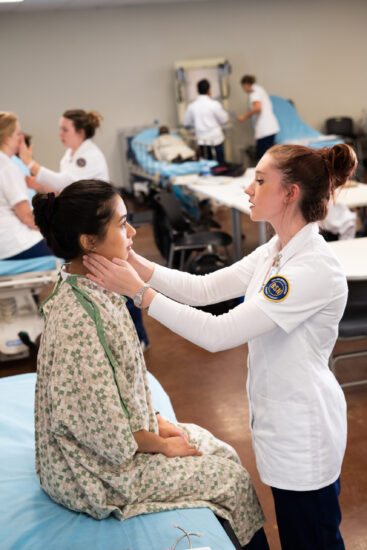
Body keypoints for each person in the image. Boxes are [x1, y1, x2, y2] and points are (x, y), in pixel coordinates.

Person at [83, 143, 358, 550]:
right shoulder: (277, 250)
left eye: (260, 180)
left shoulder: (311, 268)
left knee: (314, 540)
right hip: (282, 425)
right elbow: (204, 288)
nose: (249, 188)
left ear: (290, 193)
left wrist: (140, 293)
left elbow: (219, 333)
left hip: (305, 434)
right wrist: (136, 263)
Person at [32, 180, 268, 550]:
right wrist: (160, 445)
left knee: (222, 450)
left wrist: (158, 422)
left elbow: (124, 381)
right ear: (88, 242)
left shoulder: (98, 291)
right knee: (231, 480)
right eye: (122, 223)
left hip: (123, 440)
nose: (132, 232)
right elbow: (102, 431)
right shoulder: (77, 321)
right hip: (93, 473)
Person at [0, 112, 52, 260]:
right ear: (7, 139)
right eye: (18, 133)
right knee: (72, 249)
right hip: (14, 244)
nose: (21, 138)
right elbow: (27, 218)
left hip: (4, 244)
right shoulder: (7, 167)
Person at [19, 109, 109, 193]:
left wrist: (30, 163)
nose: (60, 134)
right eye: (60, 129)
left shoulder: (90, 156)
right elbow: (64, 190)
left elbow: (63, 183)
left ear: (81, 132)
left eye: (65, 130)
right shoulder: (69, 153)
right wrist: (41, 186)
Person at [183, 79, 229, 164]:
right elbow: (224, 119)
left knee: (206, 164)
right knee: (220, 165)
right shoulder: (214, 104)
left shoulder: (192, 106)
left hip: (202, 140)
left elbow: (186, 123)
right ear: (209, 89)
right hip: (216, 139)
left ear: (198, 91)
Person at [237, 75, 280, 161]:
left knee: (262, 158)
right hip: (270, 128)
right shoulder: (259, 89)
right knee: (269, 157)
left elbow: (257, 107)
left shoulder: (254, 92)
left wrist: (244, 116)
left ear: (245, 85)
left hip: (265, 129)